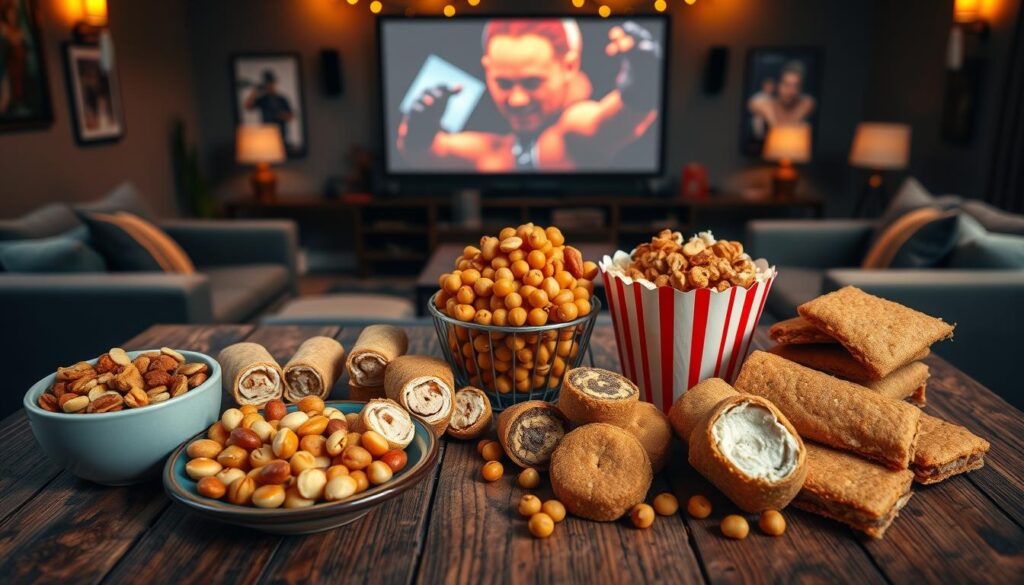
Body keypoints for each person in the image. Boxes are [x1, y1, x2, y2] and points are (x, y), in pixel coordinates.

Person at [397, 18, 661, 171]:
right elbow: (433, 153)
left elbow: (606, 123)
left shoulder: (574, 127)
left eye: (532, 83)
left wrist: (641, 83)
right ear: (487, 69)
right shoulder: (498, 147)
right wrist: (418, 132)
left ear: (569, 66)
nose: (517, 100)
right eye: (503, 83)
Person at [747, 60, 815, 138]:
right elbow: (754, 102)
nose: (790, 91)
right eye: (786, 84)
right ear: (778, 85)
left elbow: (809, 103)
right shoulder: (764, 104)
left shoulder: (807, 104)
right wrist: (770, 115)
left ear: (801, 88)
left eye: (796, 86)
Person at [244, 69, 294, 146]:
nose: (269, 86)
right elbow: (248, 106)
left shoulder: (282, 99)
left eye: (271, 83)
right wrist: (254, 92)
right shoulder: (263, 99)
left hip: (281, 134)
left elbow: (290, 116)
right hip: (266, 134)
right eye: (267, 84)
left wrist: (279, 115)